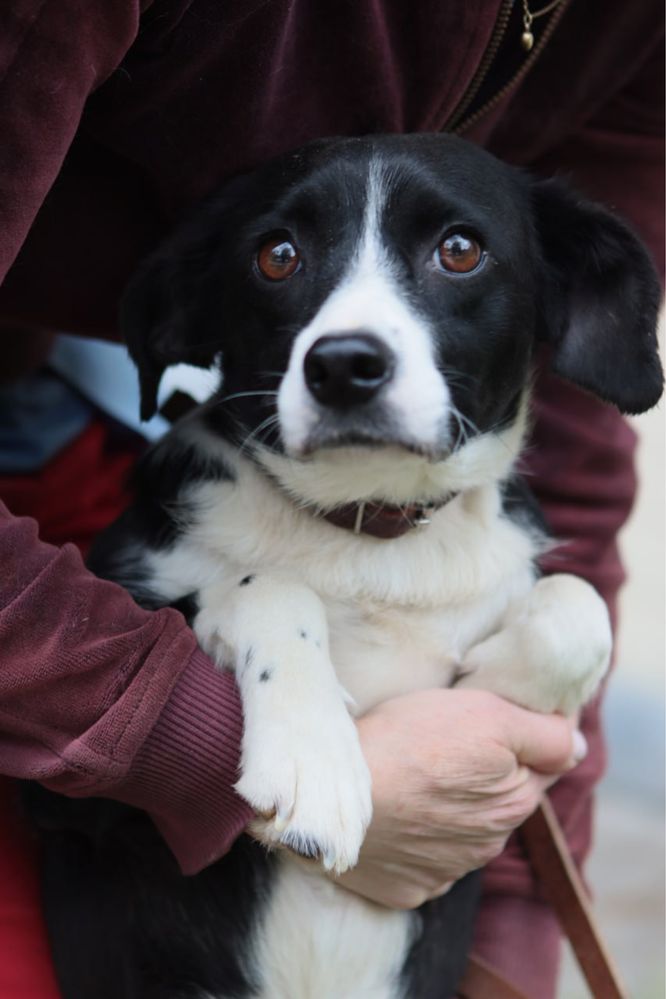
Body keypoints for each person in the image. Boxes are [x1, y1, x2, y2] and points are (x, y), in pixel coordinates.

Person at [0, 2, 662, 996]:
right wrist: (206, 719)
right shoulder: (163, 560)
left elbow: (573, 449)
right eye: (283, 260)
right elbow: (56, 799)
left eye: (455, 253)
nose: (353, 336)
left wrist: (521, 921)